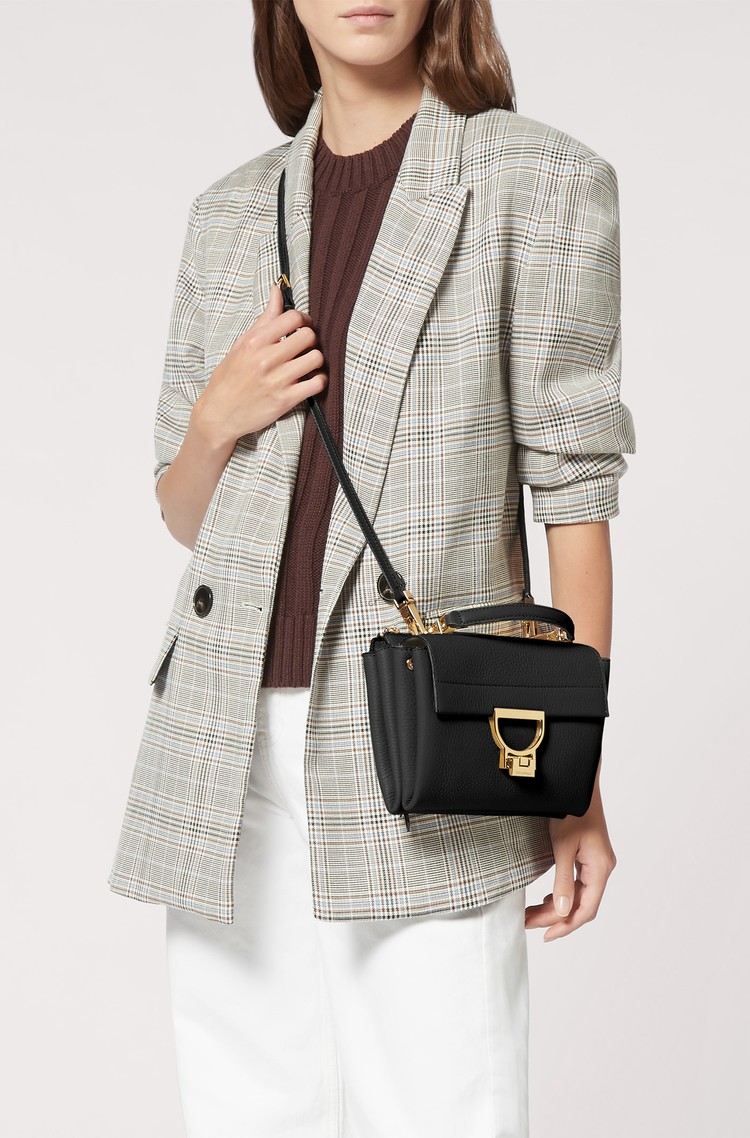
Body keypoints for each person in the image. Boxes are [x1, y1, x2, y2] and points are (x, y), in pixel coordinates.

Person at [108, 1, 636, 1135]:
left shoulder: (536, 180)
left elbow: (576, 496)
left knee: (445, 1108)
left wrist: (572, 776)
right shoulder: (231, 212)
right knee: (247, 1112)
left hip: (428, 734)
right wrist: (217, 417)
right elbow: (185, 511)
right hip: (228, 738)